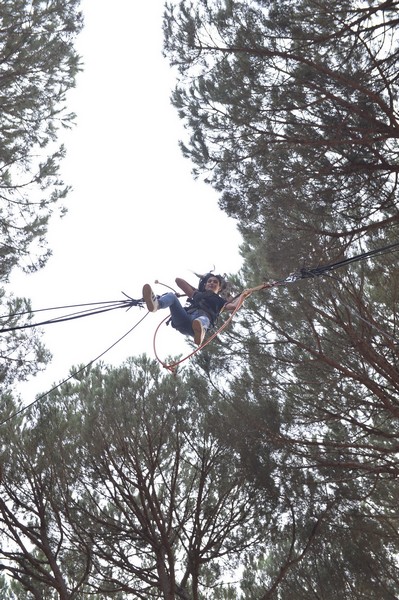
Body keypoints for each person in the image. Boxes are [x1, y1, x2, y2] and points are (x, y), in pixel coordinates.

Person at [142, 273, 245, 346]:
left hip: (198, 324)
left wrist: (243, 296)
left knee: (204, 319)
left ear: (219, 288)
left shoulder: (220, 301)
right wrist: (196, 290)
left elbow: (234, 307)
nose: (212, 283)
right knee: (171, 296)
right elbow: (178, 281)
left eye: (215, 282)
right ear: (205, 285)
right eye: (209, 281)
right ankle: (156, 304)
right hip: (184, 318)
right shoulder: (197, 294)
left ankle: (200, 332)